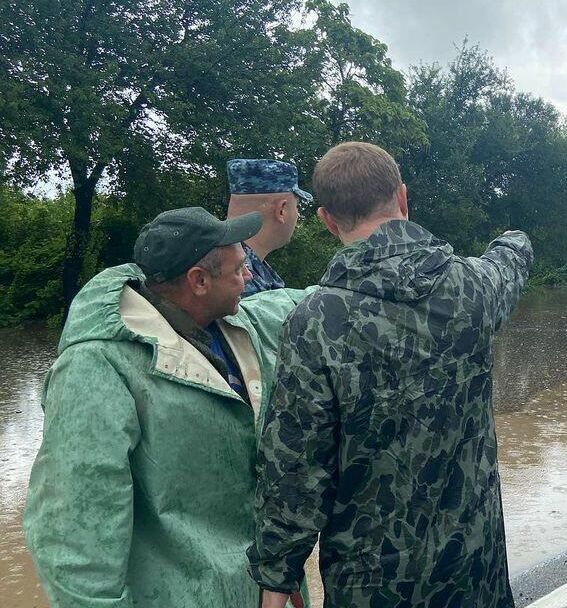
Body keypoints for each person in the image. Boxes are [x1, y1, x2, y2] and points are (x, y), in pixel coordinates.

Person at [247, 142, 533, 608]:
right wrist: (513, 235)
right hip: (474, 574)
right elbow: (512, 260)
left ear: (326, 219)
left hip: (370, 586)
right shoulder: (472, 290)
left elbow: (295, 471)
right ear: (403, 198)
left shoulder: (314, 320)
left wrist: (276, 581)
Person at [24, 208, 307, 608]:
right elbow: (75, 535)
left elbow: (298, 303)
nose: (249, 278)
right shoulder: (97, 367)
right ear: (199, 280)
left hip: (259, 590)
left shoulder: (235, 326)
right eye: (240, 269)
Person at [227, 158, 313, 296]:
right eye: (297, 206)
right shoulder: (239, 279)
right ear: (281, 210)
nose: (297, 214)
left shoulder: (216, 261)